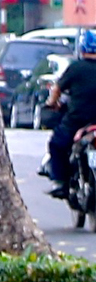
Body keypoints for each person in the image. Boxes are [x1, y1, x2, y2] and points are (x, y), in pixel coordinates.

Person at [46, 29, 96, 198]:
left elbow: (57, 89)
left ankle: (60, 182)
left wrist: (52, 103)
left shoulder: (75, 69)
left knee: (57, 144)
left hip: (77, 121)